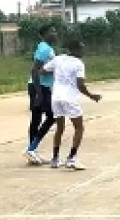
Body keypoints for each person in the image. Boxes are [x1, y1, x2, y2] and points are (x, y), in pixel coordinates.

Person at [43, 40, 101, 170]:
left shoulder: (58, 59)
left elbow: (43, 70)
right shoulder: (78, 64)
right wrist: (92, 96)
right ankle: (71, 158)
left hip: (56, 98)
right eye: (81, 49)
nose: (83, 51)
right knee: (79, 128)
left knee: (60, 128)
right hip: (69, 98)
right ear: (73, 49)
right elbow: (80, 85)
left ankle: (55, 158)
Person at [24, 24, 57, 165]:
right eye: (52, 31)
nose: (55, 33)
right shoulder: (44, 48)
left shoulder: (48, 48)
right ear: (44, 34)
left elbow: (44, 69)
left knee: (38, 118)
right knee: (51, 115)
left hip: (44, 87)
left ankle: (33, 149)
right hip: (39, 87)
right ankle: (31, 149)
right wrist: (38, 93)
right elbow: (34, 70)